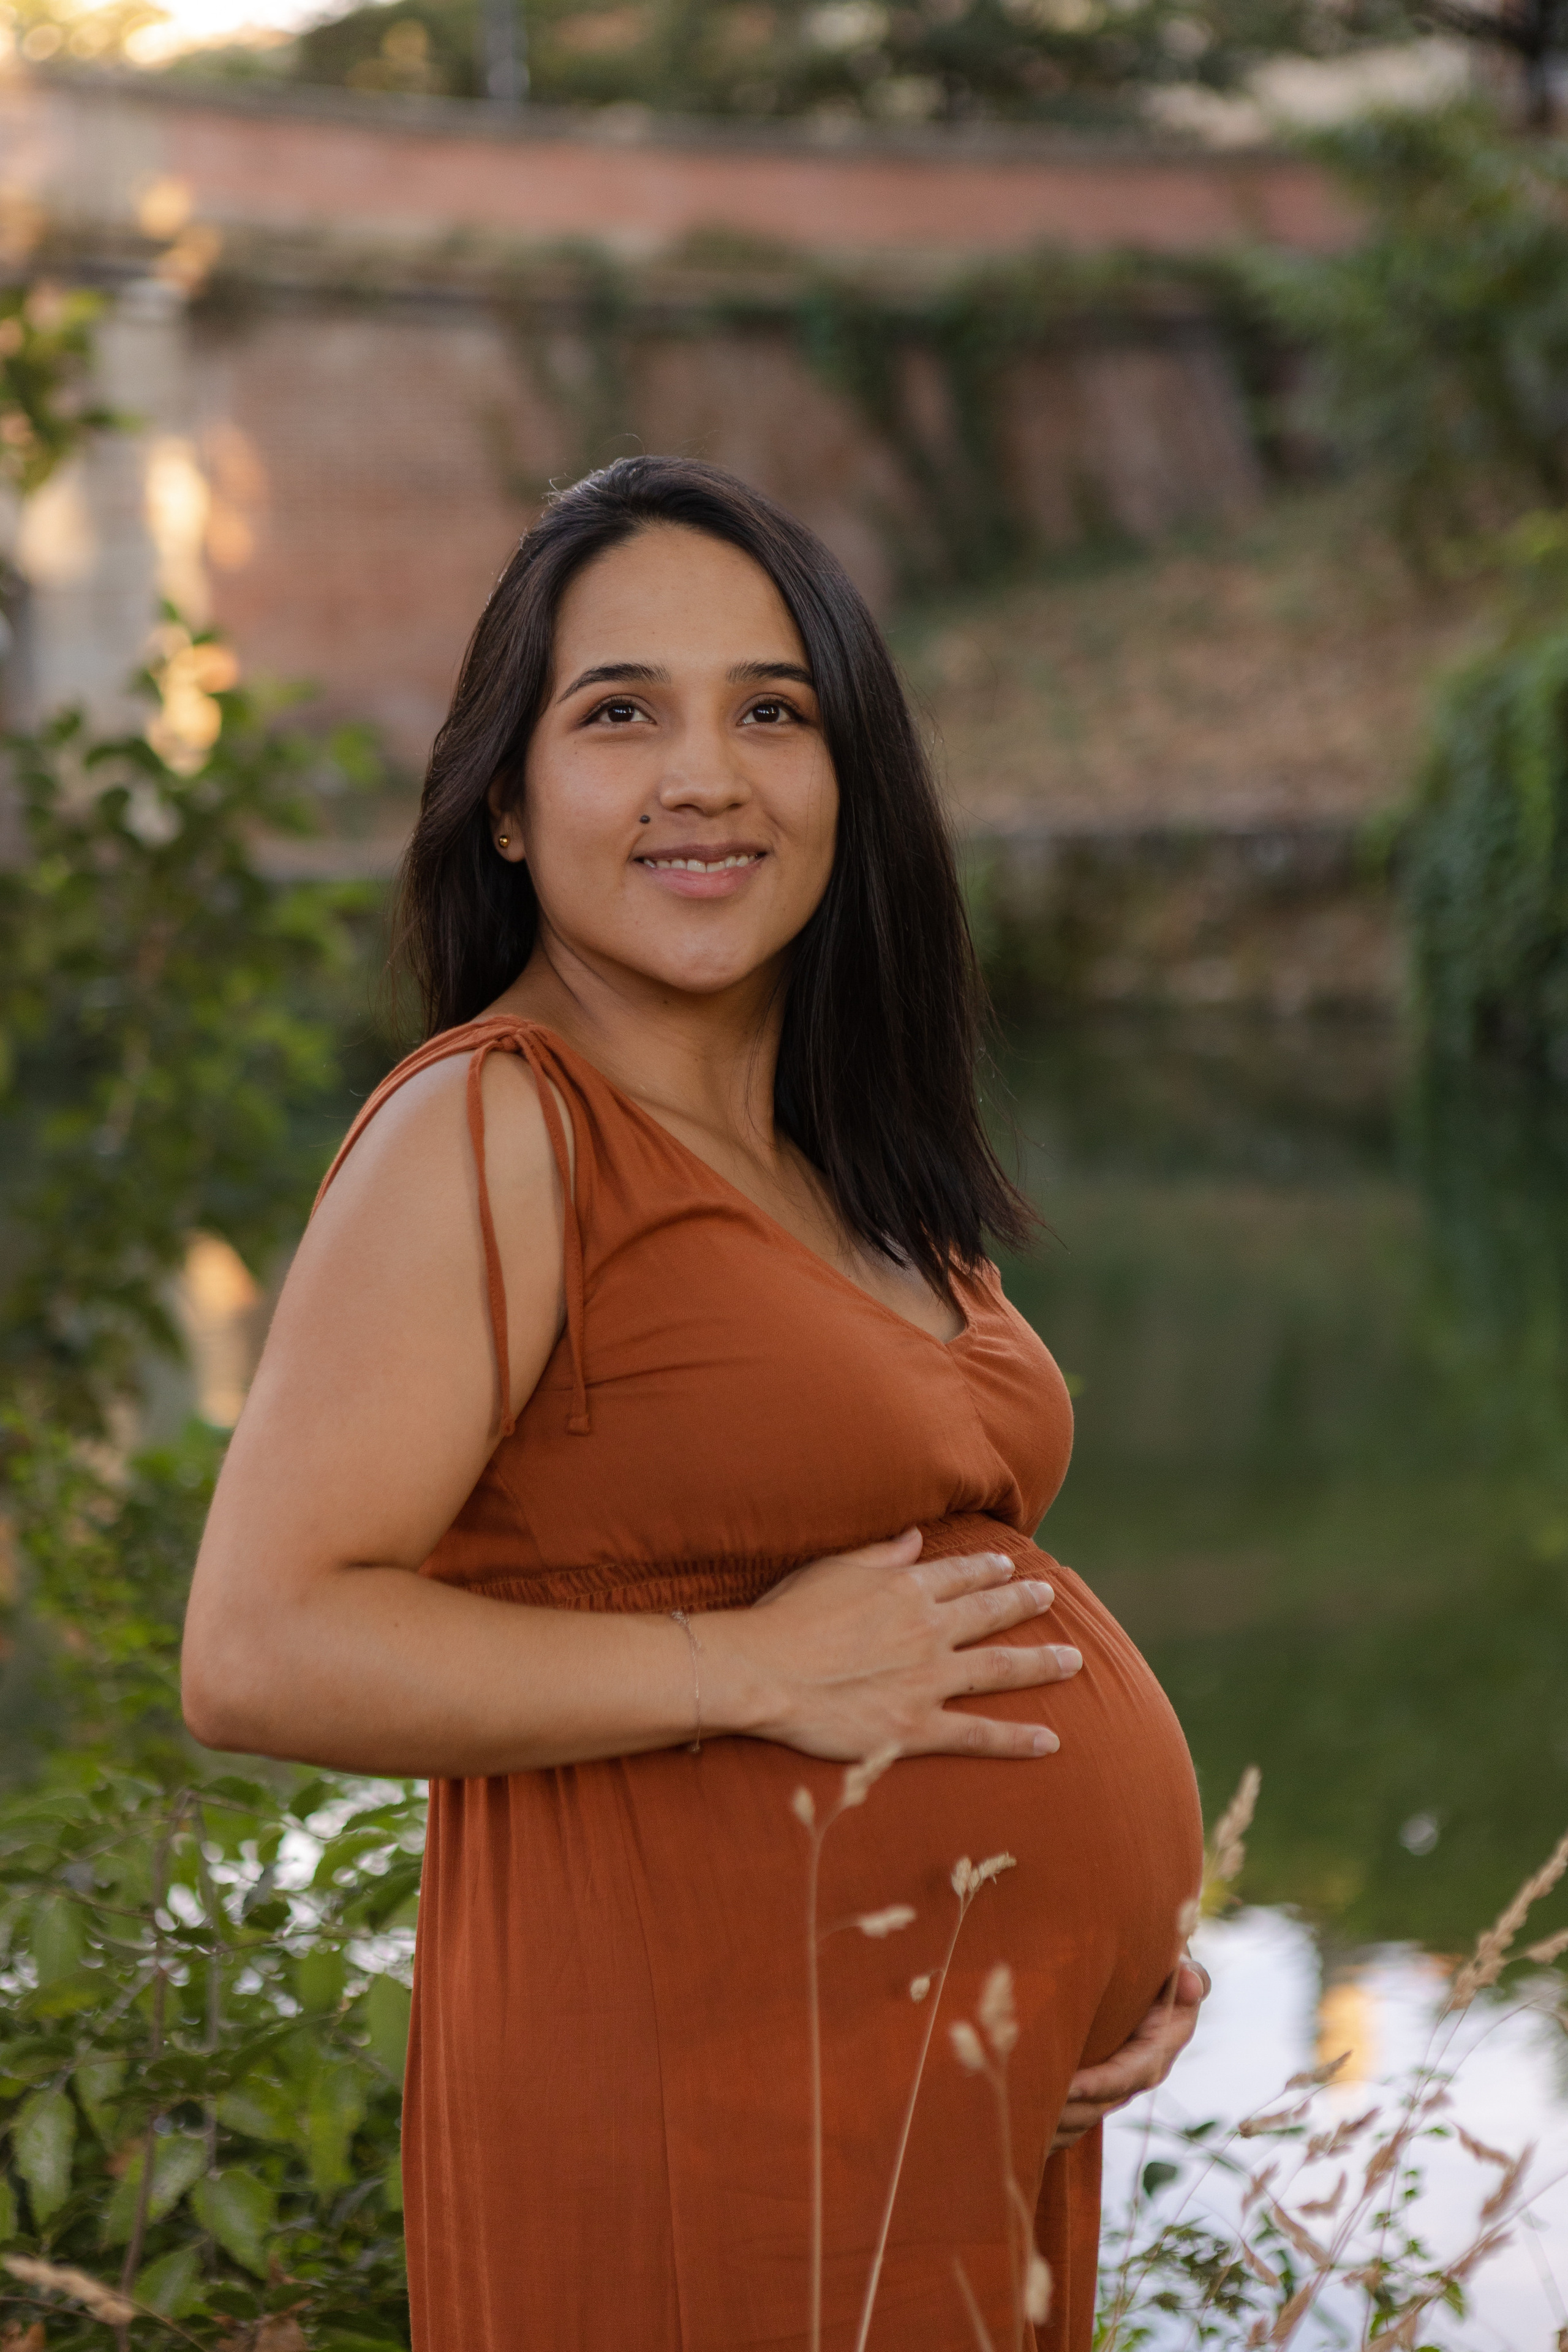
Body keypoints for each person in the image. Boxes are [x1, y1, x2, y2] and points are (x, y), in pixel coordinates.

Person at [183, 456, 1207, 2352]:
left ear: (849, 780)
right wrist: (742, 1670)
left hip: (945, 2101)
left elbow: (933, 1604)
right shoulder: (490, 1129)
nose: (704, 775)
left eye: (772, 711)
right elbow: (258, 1645)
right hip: (699, 2113)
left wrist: (1095, 1949)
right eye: (619, 713)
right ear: (507, 800)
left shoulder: (848, 1152)